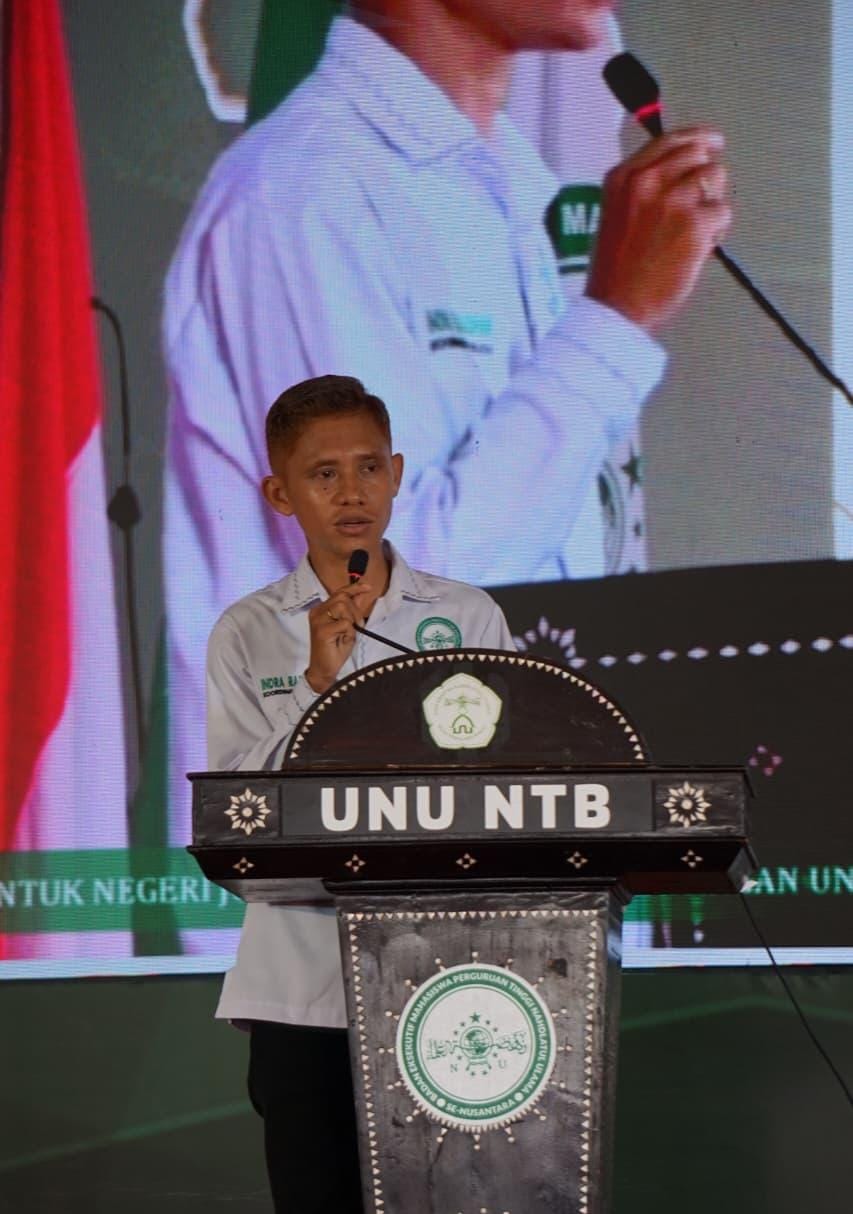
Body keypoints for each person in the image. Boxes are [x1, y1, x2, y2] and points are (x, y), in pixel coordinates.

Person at [165, 0, 731, 903]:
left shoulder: (509, 182)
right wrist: (614, 323)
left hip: (514, 880)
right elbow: (390, 603)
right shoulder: (303, 191)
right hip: (343, 914)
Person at [207, 373, 515, 1212]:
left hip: (451, 982)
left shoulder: (467, 617)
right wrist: (317, 683)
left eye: (368, 468)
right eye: (324, 474)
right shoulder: (247, 631)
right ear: (280, 494)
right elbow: (235, 813)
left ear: (397, 473)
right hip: (301, 989)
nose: (352, 493)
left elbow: (504, 782)